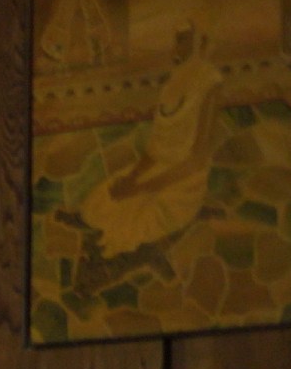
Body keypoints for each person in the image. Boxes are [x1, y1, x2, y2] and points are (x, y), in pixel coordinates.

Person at [72, 25, 228, 259]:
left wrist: (139, 188)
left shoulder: (209, 84)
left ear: (198, 42)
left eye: (183, 40)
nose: (177, 47)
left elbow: (196, 160)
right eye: (177, 40)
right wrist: (131, 177)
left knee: (131, 221)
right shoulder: (171, 86)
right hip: (156, 169)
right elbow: (154, 150)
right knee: (98, 206)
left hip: (184, 181)